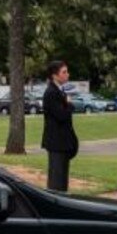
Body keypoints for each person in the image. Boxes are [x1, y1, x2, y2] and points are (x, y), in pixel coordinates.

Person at [42, 60, 78, 191]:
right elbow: (61, 115)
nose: (67, 74)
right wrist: (69, 104)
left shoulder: (59, 90)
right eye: (64, 72)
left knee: (62, 178)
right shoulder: (51, 92)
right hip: (56, 142)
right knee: (57, 180)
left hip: (62, 142)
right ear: (54, 75)